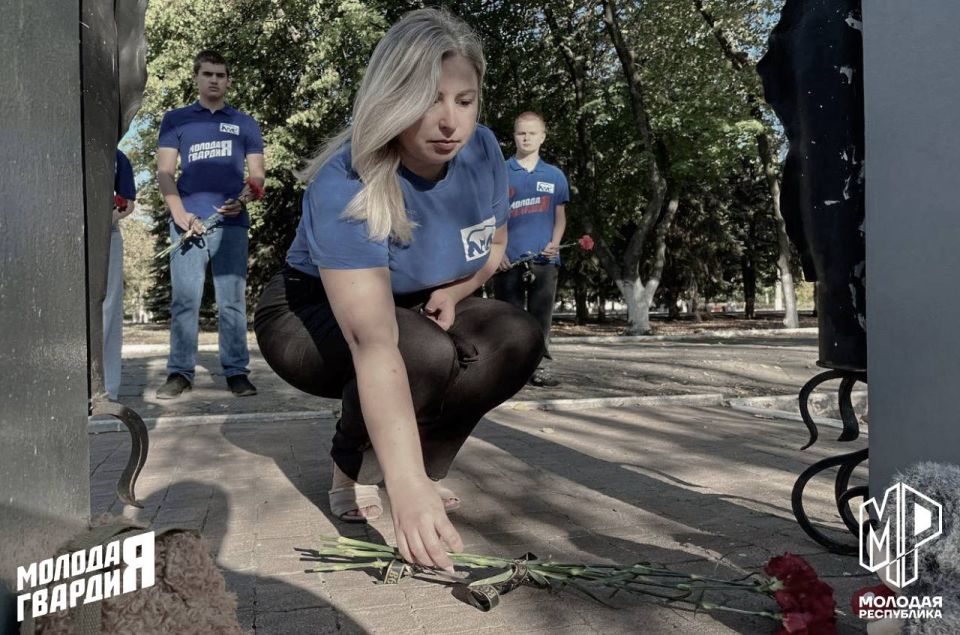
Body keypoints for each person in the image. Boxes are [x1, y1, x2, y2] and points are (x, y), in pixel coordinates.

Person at [254, 8, 545, 571]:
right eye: (428, 100)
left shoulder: (484, 150)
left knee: (515, 335)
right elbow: (374, 342)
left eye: (464, 101)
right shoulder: (347, 182)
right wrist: (403, 486)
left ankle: (422, 469)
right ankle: (355, 468)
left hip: (416, 302)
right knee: (422, 352)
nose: (450, 122)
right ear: (392, 98)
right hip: (309, 311)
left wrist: (456, 294)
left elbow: (494, 245)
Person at [155, 50, 265, 399]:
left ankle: (236, 372)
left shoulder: (245, 123)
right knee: (185, 301)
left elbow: (257, 176)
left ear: (228, 80)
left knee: (231, 301)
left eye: (220, 74)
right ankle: (180, 372)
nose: (214, 80)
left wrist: (242, 200)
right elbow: (164, 172)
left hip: (231, 223)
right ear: (196, 78)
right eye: (207, 74)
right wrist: (179, 213)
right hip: (188, 223)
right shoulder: (176, 120)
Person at [492, 112, 570, 387]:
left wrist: (555, 243)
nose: (526, 138)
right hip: (507, 261)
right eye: (521, 133)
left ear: (543, 137)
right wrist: (496, 253)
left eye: (532, 133)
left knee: (540, 320)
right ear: (514, 136)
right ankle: (508, 372)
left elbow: (560, 217)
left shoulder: (555, 175)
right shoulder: (499, 172)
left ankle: (538, 368)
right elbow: (488, 217)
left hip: (545, 261)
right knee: (508, 319)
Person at [103, 149, 137, 401]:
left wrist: (104, 221)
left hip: (108, 234)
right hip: (63, 235)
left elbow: (128, 203)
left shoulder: (117, 157)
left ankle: (106, 387)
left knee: (109, 308)